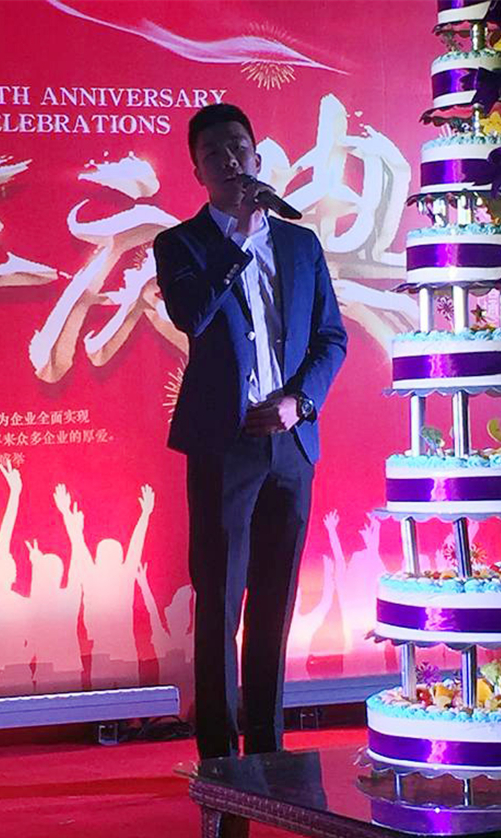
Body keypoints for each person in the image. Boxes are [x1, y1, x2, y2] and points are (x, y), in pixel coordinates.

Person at [154, 103, 347, 759]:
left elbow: (331, 338)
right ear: (198, 172)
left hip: (290, 442)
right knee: (220, 598)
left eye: (239, 147)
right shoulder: (181, 244)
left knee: (275, 596)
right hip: (223, 446)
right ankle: (217, 752)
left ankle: (267, 746)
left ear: (258, 156)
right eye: (215, 154)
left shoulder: (300, 245)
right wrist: (236, 236)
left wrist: (301, 402)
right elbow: (192, 313)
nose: (231, 160)